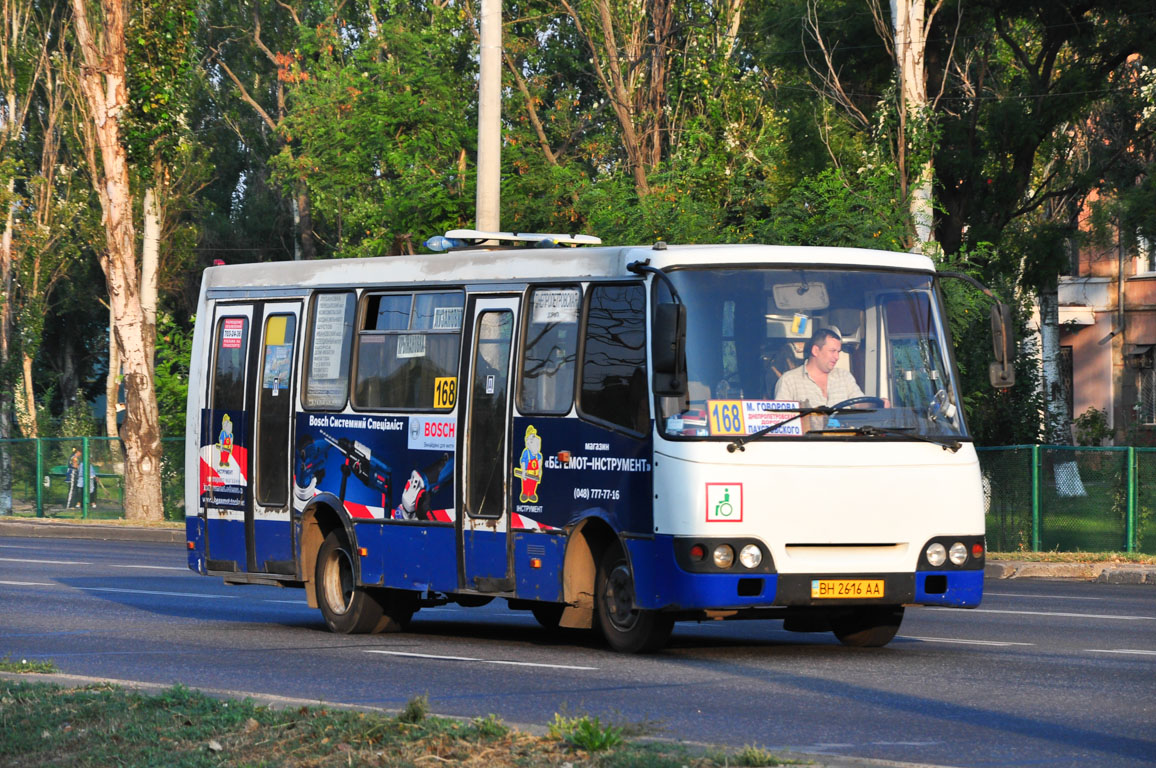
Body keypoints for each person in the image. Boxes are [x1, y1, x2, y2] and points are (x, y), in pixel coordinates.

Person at [775, 327, 885, 409]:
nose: (837, 357)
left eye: (838, 352)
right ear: (815, 351)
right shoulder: (789, 381)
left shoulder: (844, 377)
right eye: (832, 351)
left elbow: (859, 403)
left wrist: (877, 403)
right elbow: (781, 420)